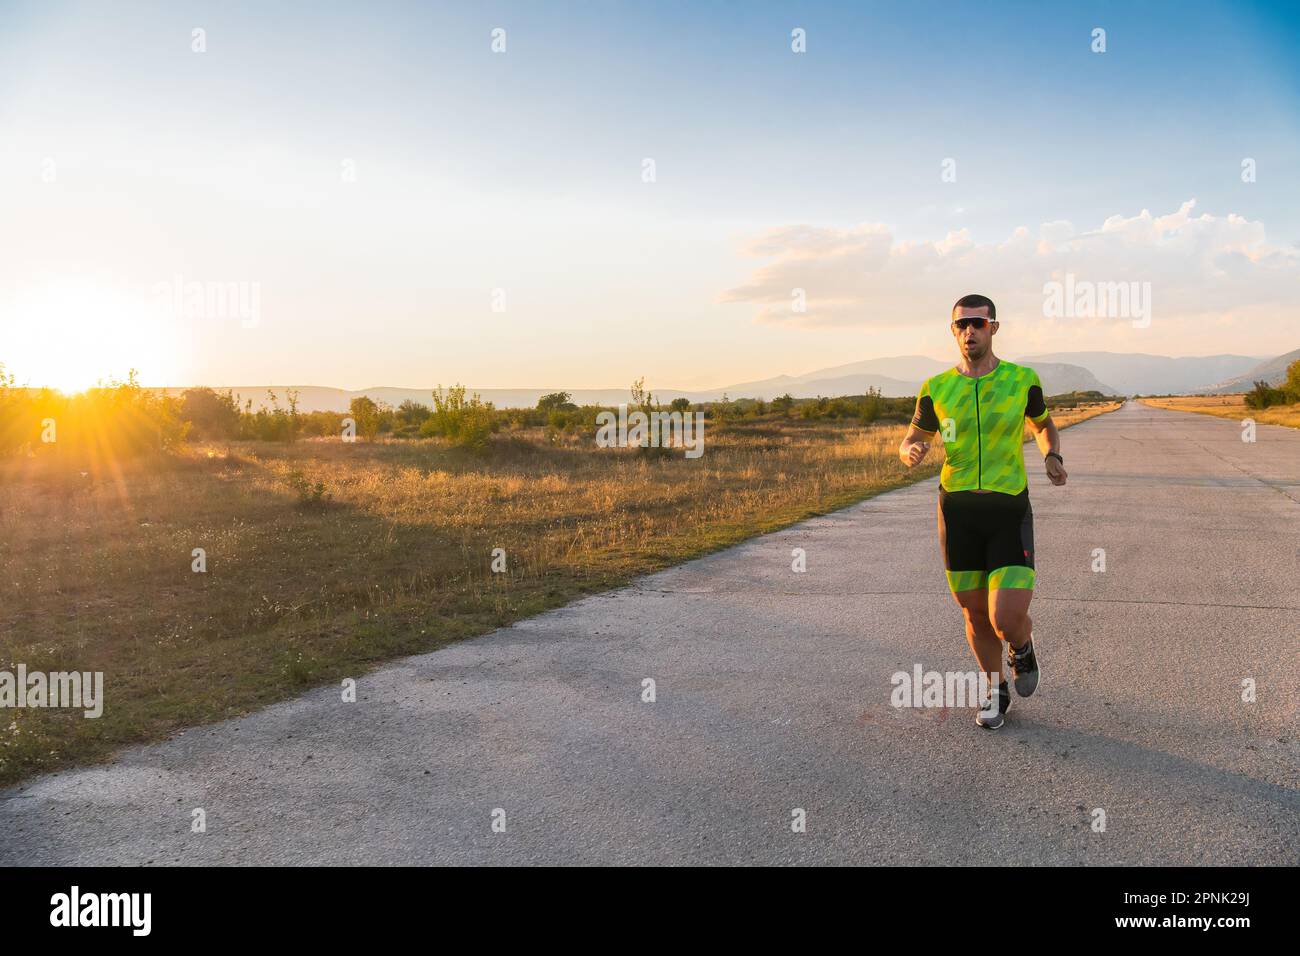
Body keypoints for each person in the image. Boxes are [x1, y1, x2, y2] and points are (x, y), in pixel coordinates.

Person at [898, 294, 1067, 728]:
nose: (969, 331)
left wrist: (1052, 456)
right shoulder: (936, 388)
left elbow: (1043, 424)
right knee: (974, 612)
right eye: (961, 325)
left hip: (1008, 509)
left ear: (994, 327)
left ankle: (1022, 646)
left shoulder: (1021, 380)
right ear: (953, 331)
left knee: (1005, 618)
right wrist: (910, 450)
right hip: (957, 514)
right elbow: (912, 436)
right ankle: (995, 692)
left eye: (977, 323)